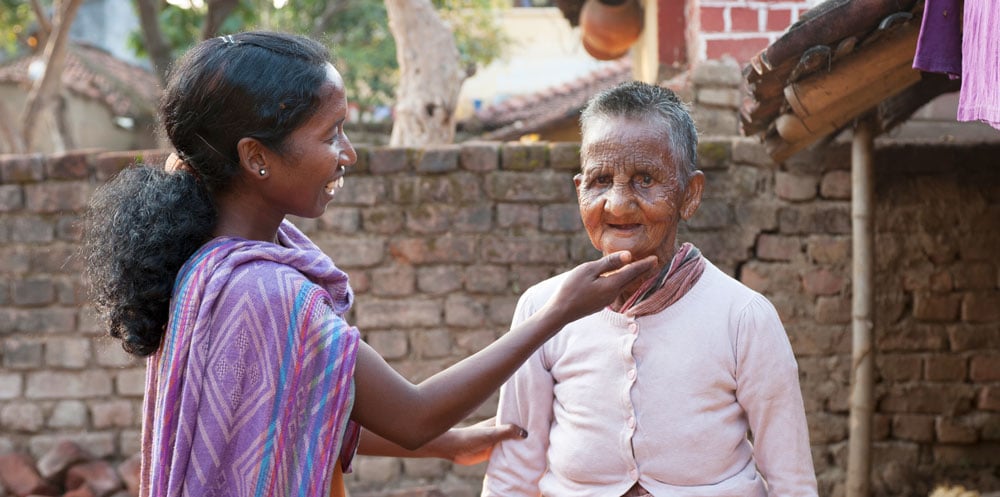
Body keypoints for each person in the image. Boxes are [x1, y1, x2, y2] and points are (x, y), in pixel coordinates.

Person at [80, 32, 656, 497]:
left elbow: (299, 409)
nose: (348, 154)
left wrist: (448, 446)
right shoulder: (269, 293)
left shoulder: (206, 270)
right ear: (257, 157)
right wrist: (556, 314)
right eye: (331, 134)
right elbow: (413, 414)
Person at [481, 81, 818, 497]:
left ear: (689, 195)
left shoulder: (744, 317)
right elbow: (512, 477)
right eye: (600, 180)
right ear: (579, 191)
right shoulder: (542, 309)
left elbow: (792, 482)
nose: (618, 204)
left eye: (644, 179)